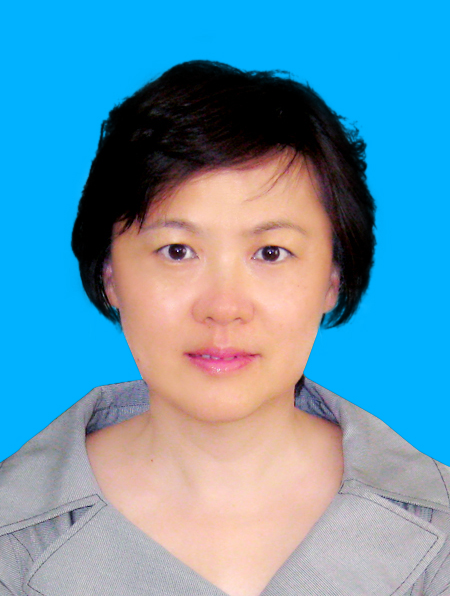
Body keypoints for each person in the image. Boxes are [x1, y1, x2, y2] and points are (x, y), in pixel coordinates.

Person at [1, 60, 449, 596]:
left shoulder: (439, 527)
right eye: (177, 251)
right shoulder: (13, 533)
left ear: (333, 278)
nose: (223, 307)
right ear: (110, 274)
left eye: (271, 252)